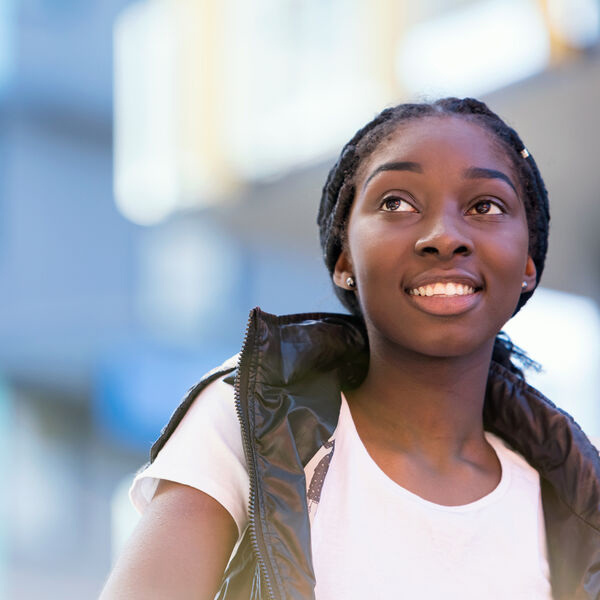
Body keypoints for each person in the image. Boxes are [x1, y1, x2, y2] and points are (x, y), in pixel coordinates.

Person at [100, 98, 600, 600]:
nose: (445, 237)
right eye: (396, 203)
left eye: (484, 206)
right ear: (345, 261)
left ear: (529, 264)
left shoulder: (572, 502)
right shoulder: (255, 417)